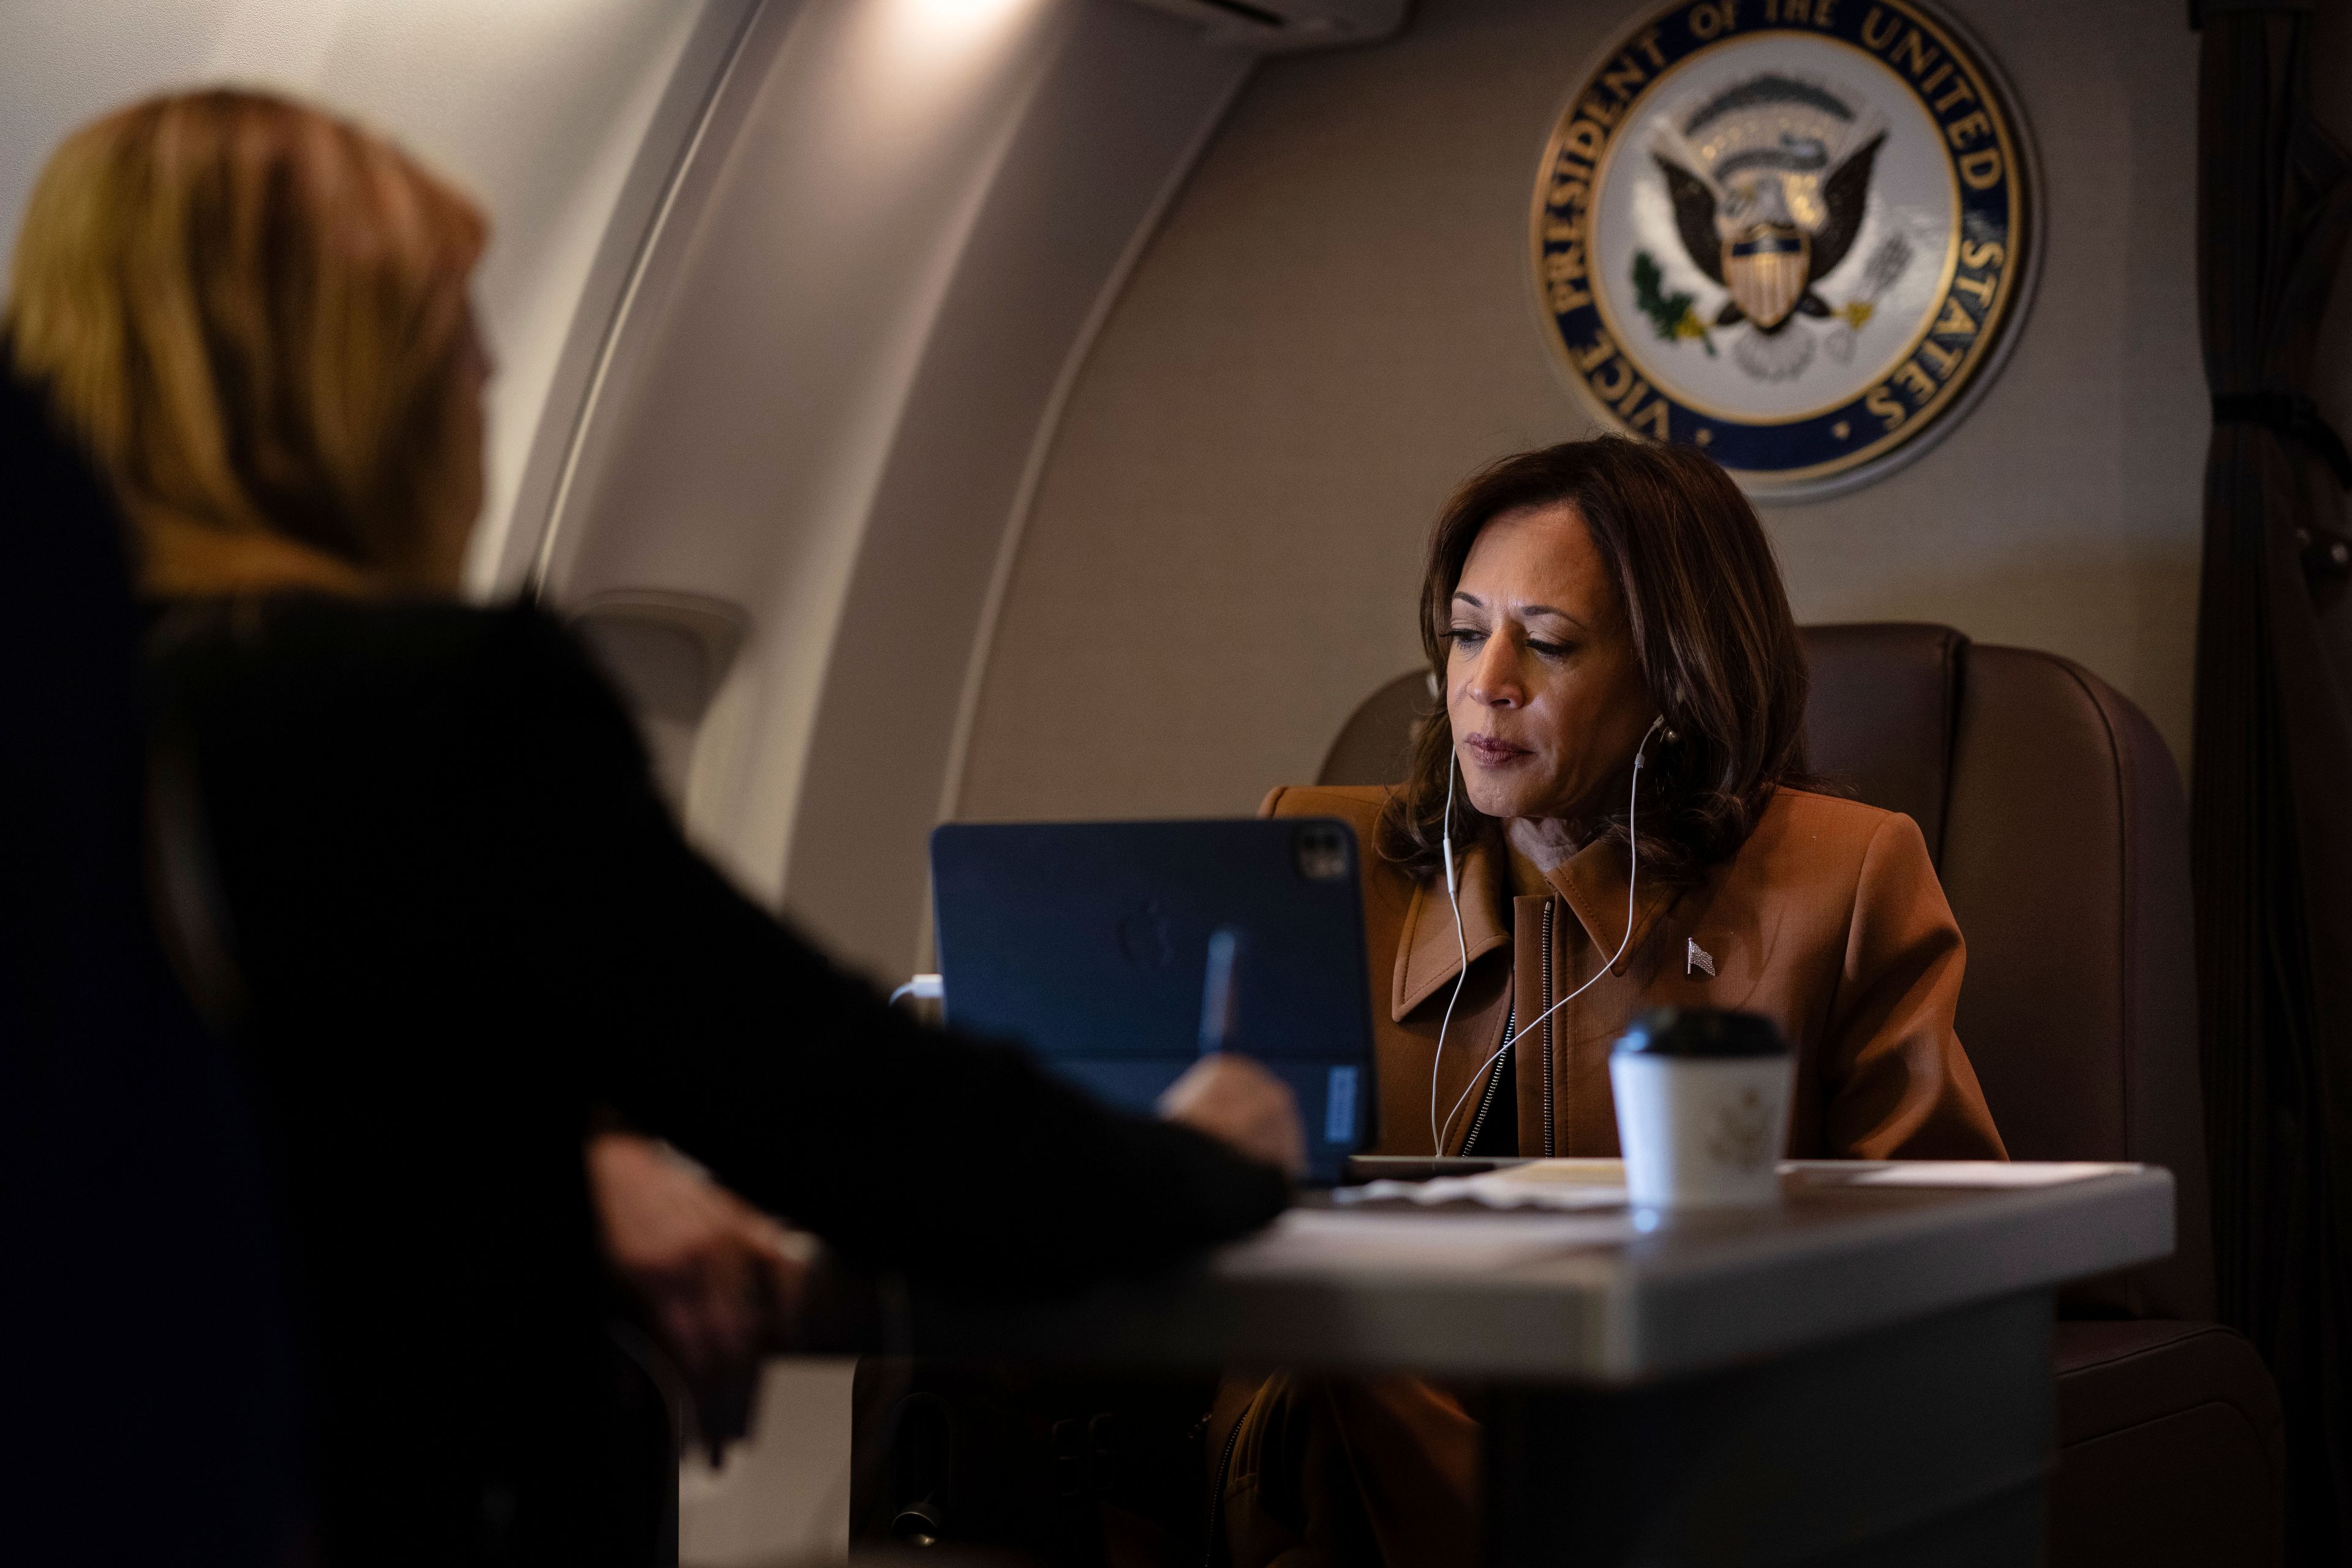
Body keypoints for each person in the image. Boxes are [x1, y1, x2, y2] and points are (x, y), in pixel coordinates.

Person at [4, 88, 1303, 1567]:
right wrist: (1205, 1152)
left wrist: (553, 1170)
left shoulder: (67, 709)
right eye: (447, 326)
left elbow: (275, 1111)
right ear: (342, 383)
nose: (487, 367)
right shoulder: (433, 710)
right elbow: (848, 1111)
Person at [1211, 437, 2007, 1565]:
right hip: (1338, 1435)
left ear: (1677, 677)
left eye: (1548, 643)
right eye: (1465, 631)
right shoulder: (1323, 857)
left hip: (1669, 1418)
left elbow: (1943, 1260)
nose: (1487, 680)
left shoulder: (1845, 877)